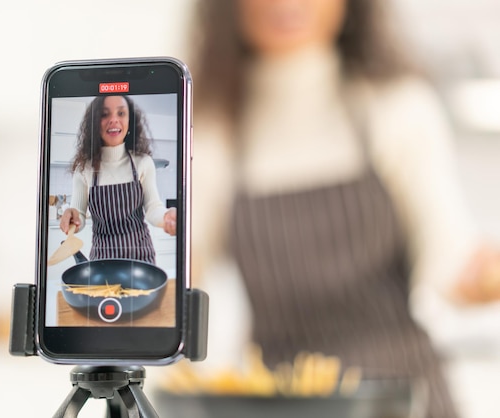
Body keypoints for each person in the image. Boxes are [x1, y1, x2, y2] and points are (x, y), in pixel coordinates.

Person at [187, 0, 500, 417]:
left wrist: (482, 277)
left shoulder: (396, 107)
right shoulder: (209, 129)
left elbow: (446, 259)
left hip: (402, 398)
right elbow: (185, 265)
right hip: (276, 403)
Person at [60, 95, 176, 264]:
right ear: (94, 123)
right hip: (102, 262)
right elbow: (80, 216)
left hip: (141, 260)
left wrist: (167, 217)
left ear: (129, 121)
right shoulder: (84, 169)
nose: (114, 119)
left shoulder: (143, 163)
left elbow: (152, 209)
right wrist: (72, 218)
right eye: (104, 114)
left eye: (121, 113)